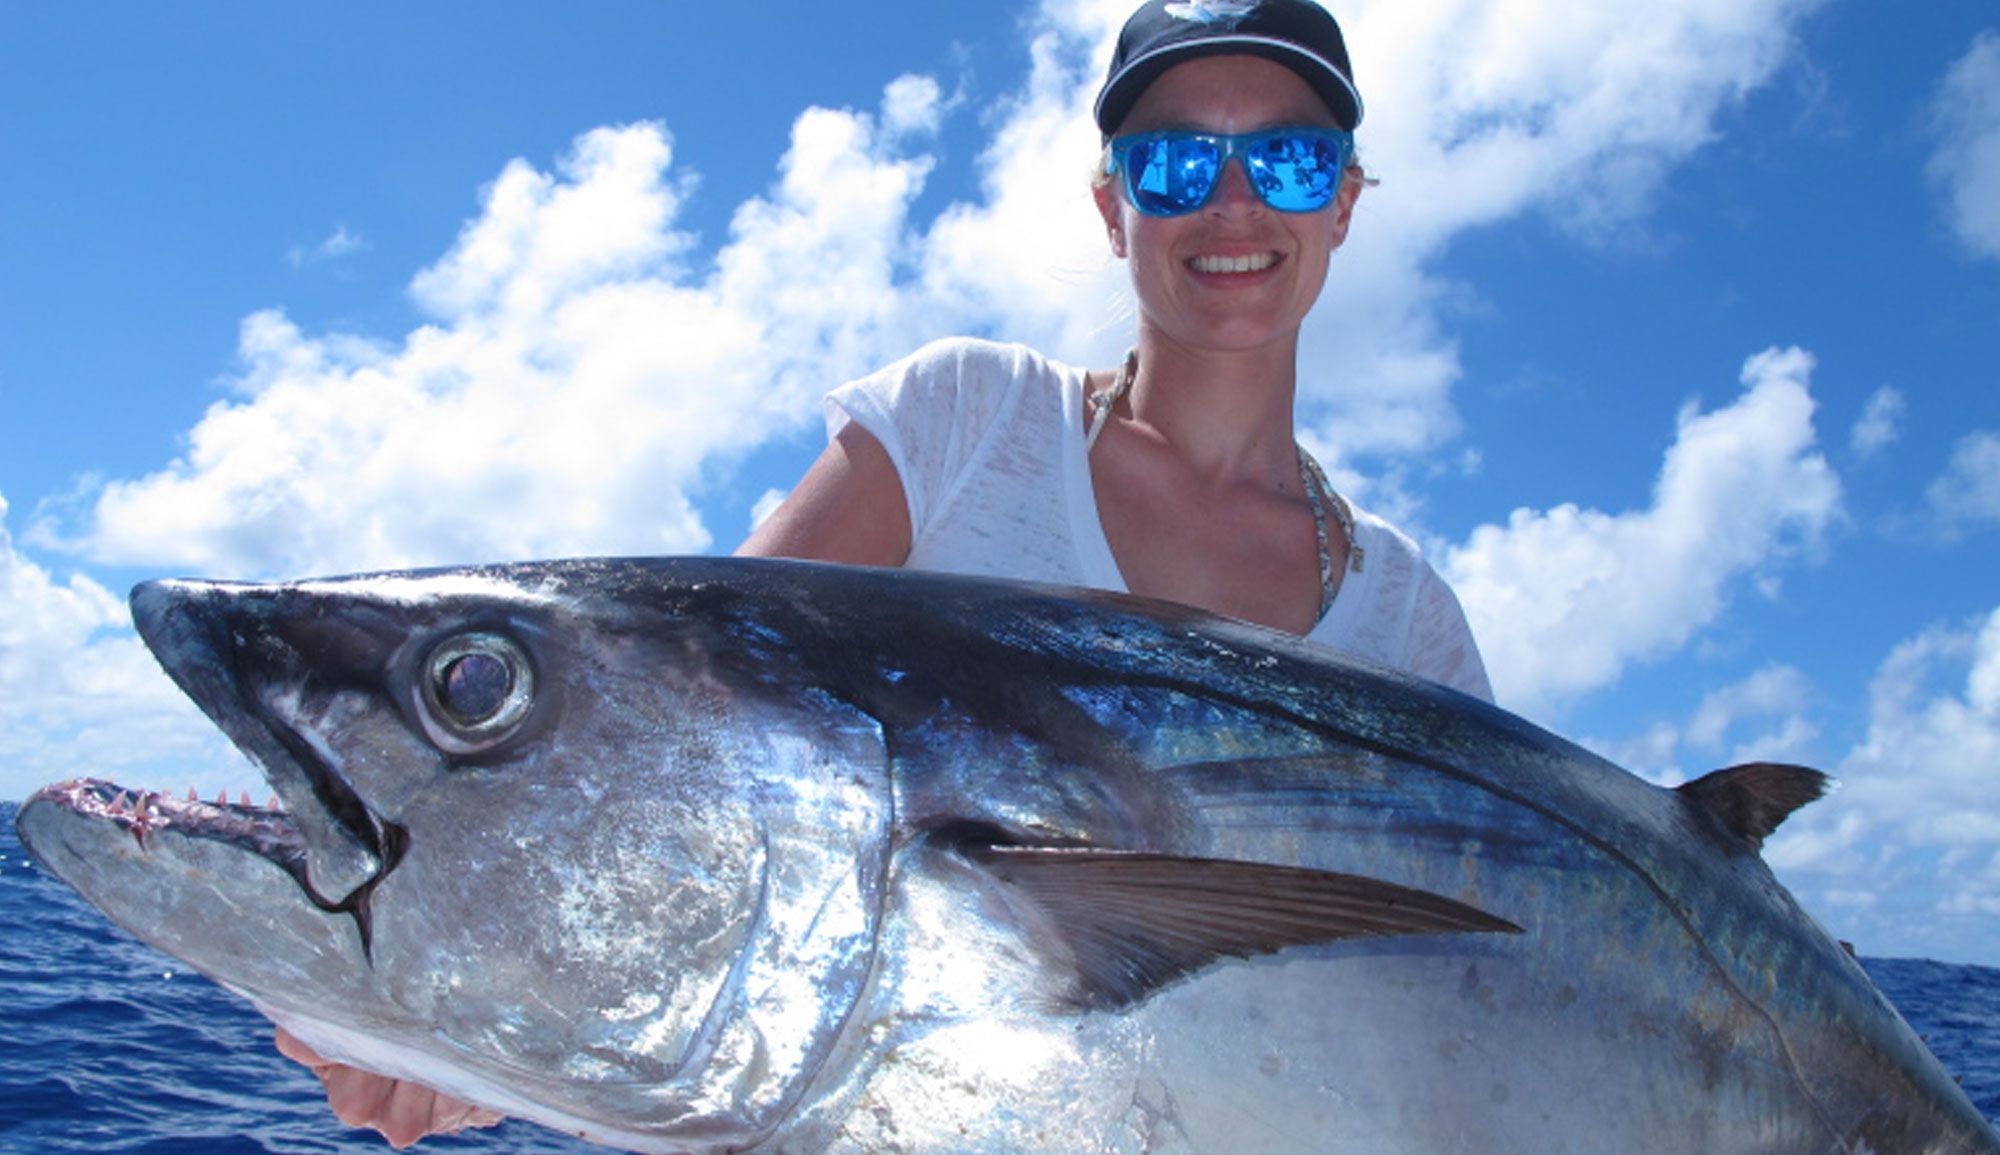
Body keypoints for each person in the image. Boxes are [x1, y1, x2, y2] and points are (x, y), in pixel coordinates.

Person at [278, 0, 1489, 1144]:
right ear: (1113, 210)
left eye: (1286, 161)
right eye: (1174, 164)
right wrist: (471, 1022)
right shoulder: (962, 421)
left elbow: (1481, 1022)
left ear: (1343, 202)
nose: (1231, 205)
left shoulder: (1410, 621)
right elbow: (674, 748)